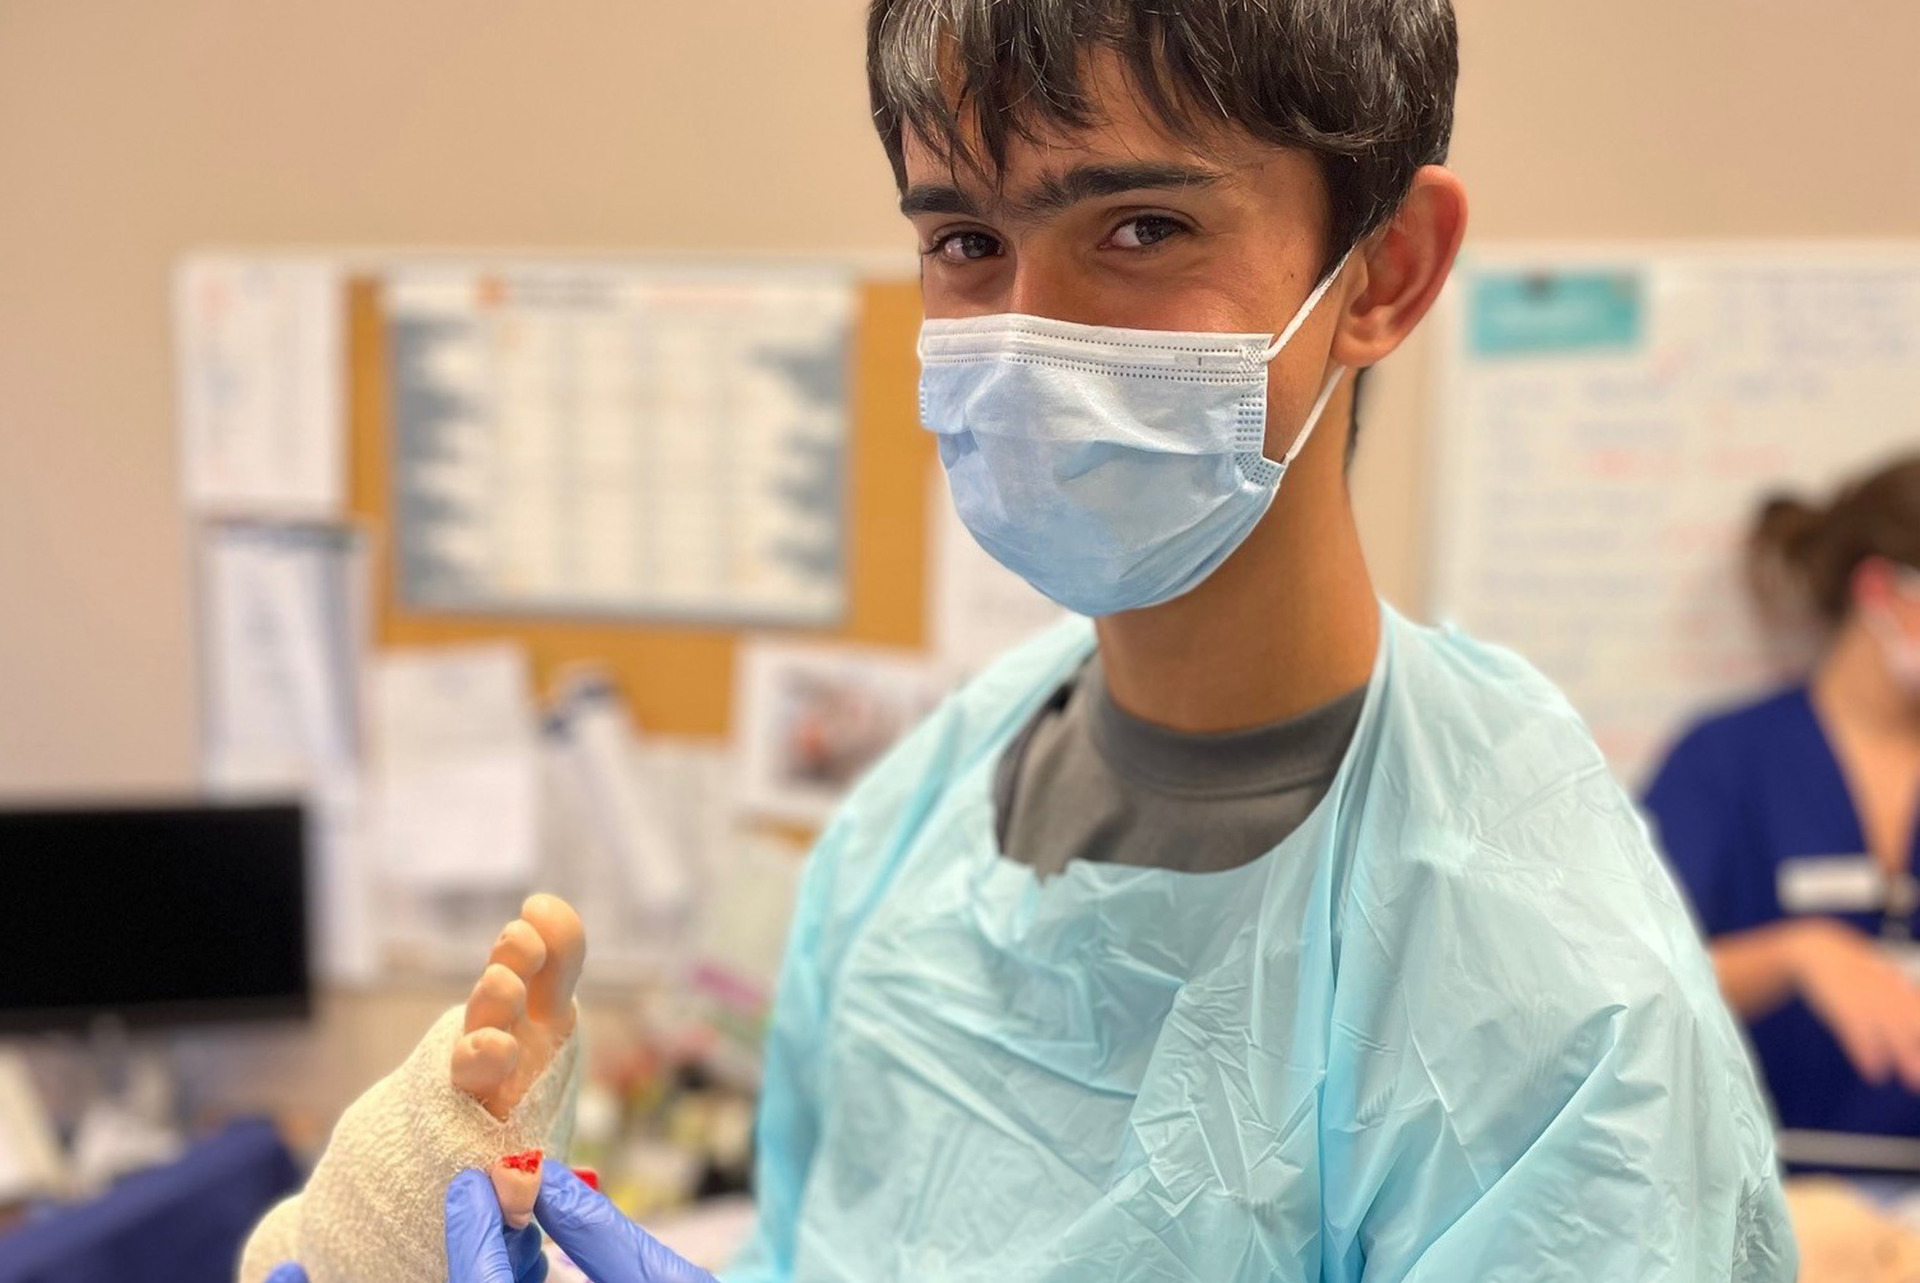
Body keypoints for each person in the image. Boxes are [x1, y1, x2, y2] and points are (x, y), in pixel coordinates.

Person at [265, 0, 1797, 1278]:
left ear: (1384, 273)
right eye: (965, 243)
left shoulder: (1554, 1007)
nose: (1028, 335)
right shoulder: (904, 835)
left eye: (1141, 226)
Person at [1644, 454, 1920, 1169]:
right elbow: (1623, 982)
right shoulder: (1727, 761)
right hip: (1756, 1207)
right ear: (1881, 592)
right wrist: (1798, 954)